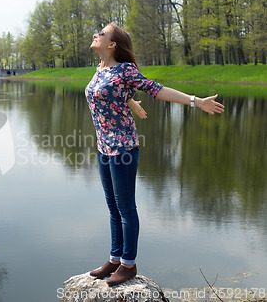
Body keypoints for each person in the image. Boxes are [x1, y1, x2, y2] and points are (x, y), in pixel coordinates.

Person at [85, 23, 224, 286]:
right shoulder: (101, 69)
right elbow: (111, 92)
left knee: (125, 208)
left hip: (123, 147)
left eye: (101, 33)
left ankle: (128, 264)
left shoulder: (126, 69)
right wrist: (131, 102)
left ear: (112, 44)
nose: (96, 35)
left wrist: (197, 101)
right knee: (112, 207)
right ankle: (115, 258)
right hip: (104, 146)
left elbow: (157, 90)